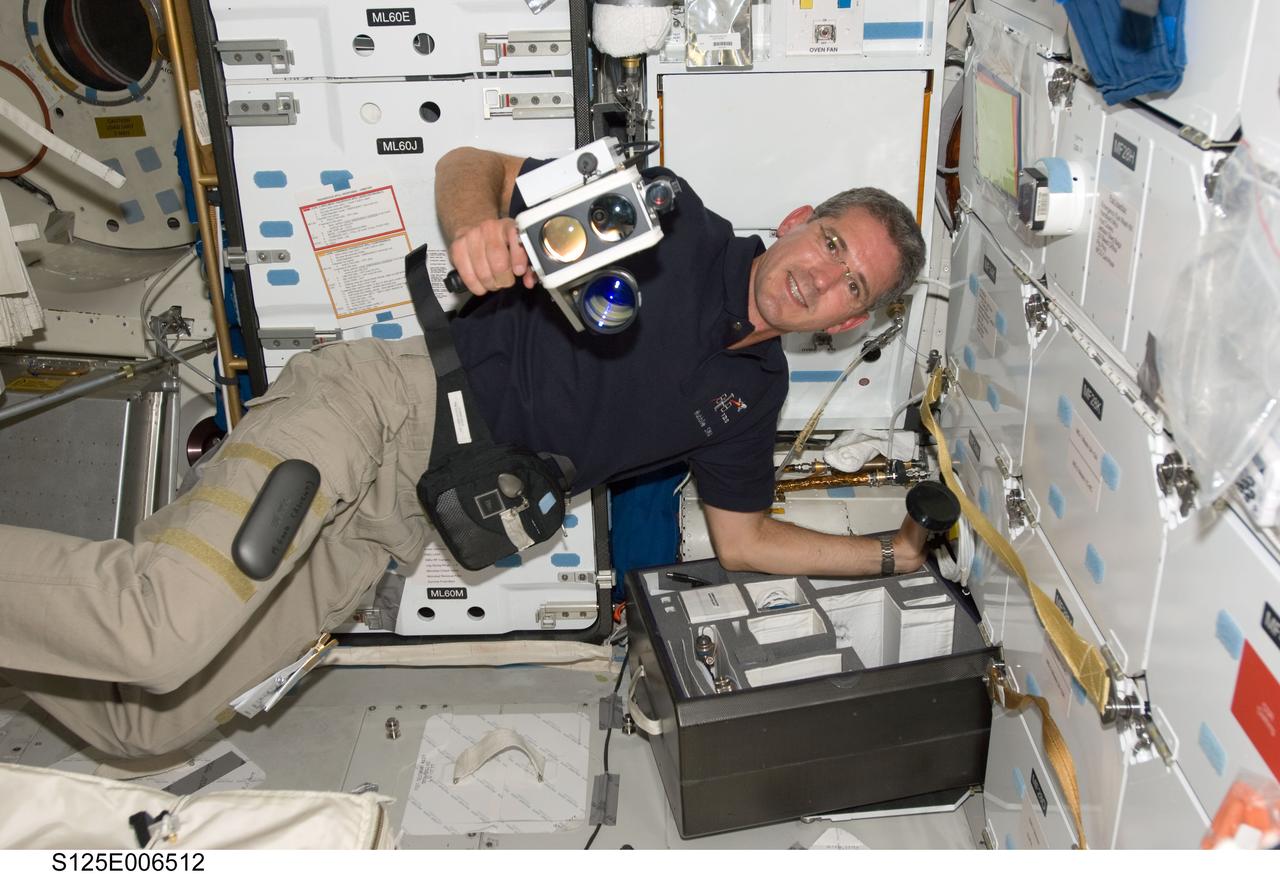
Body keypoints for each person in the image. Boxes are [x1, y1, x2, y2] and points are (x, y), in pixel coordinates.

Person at [0, 147, 929, 758]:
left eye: (851, 285)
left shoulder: (753, 395)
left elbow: (745, 540)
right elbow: (471, 165)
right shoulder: (671, 220)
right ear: (800, 218)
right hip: (377, 407)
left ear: (849, 322)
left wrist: (892, 554)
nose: (820, 277)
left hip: (405, 520)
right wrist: (477, 225)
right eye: (831, 242)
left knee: (143, 726)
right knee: (160, 630)